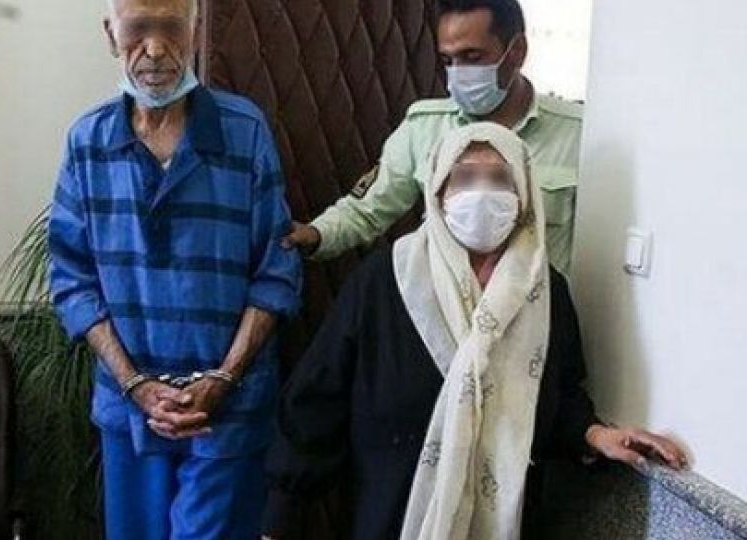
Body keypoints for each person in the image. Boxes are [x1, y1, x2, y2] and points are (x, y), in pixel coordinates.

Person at [261, 123, 685, 540]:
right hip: (392, 514)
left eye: (500, 179)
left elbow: (558, 396)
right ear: (439, 192)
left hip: (507, 519)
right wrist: (280, 520)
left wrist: (597, 435)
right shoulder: (387, 280)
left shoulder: (545, 291)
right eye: (464, 178)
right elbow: (316, 402)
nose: (482, 192)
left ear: (524, 195)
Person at [47, 0, 302, 538]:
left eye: (171, 29)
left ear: (195, 28)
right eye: (138, 30)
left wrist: (223, 377)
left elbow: (277, 270)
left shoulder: (244, 131)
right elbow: (72, 281)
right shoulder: (88, 141)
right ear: (111, 34)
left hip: (228, 411)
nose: (156, 49)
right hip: (129, 410)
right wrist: (136, 384)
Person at [282, 0, 583, 275]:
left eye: (472, 57)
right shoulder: (424, 127)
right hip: (441, 308)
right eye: (448, 61)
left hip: (542, 309)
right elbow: (367, 211)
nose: (458, 73)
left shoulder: (579, 132)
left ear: (516, 51)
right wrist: (316, 234)